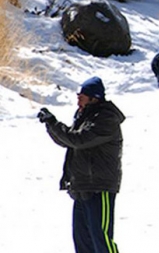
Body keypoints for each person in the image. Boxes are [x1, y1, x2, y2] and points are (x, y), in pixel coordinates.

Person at [37, 77, 124, 253]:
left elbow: (78, 140)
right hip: (82, 185)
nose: (78, 99)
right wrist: (50, 125)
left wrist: (54, 124)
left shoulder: (106, 118)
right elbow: (68, 140)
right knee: (83, 241)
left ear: (94, 97)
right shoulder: (85, 115)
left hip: (100, 187)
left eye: (82, 96)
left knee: (102, 240)